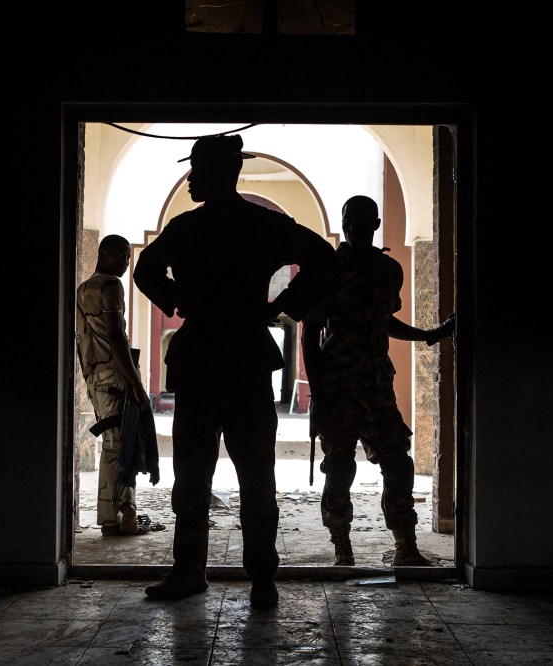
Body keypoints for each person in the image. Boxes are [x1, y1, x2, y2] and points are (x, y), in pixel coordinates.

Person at [133, 134, 340, 609]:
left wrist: (177, 300)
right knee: (255, 476)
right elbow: (324, 261)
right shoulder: (264, 226)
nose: (190, 180)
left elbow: (145, 269)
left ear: (219, 172)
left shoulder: (186, 229)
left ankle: (189, 571)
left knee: (192, 478)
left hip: (201, 356)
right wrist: (283, 306)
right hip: (246, 355)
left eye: (197, 170)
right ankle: (262, 578)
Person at [301, 194, 456, 567]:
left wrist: (426, 335)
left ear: (374, 224)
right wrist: (318, 394)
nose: (354, 225)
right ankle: (342, 545)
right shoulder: (329, 269)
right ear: (343, 224)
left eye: (362, 218)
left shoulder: (388, 271)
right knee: (340, 466)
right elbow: (310, 333)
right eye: (348, 218)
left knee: (399, 464)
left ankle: (406, 545)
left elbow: (384, 320)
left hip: (377, 384)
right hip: (339, 387)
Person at [76, 234, 157, 537]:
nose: (125, 261)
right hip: (115, 374)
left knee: (115, 443)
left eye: (127, 256)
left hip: (96, 375)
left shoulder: (84, 288)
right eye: (119, 255)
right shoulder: (111, 286)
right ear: (103, 254)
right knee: (120, 445)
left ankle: (120, 511)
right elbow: (115, 336)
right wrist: (135, 383)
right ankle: (118, 514)